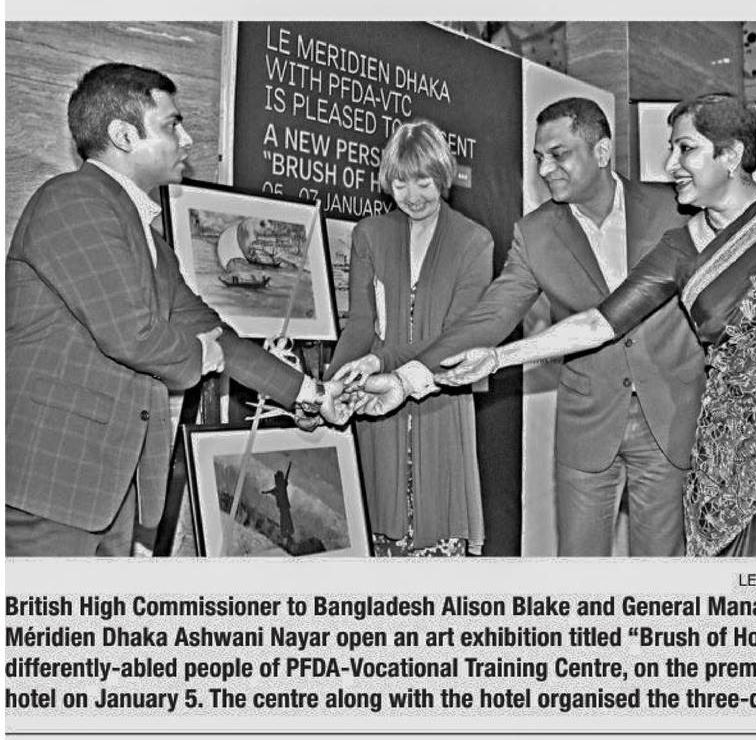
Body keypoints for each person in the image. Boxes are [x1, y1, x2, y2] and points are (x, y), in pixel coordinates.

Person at [430, 93, 756, 558]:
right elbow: (599, 323)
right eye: (671, 148)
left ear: (731, 155)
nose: (670, 164)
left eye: (686, 148)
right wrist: (497, 357)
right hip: (729, 463)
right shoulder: (680, 246)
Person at [5, 62, 347, 557]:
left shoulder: (150, 242)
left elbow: (218, 335)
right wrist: (201, 355)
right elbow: (133, 335)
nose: (186, 140)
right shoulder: (72, 200)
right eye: (171, 125)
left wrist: (310, 394)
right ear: (124, 135)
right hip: (49, 487)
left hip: (106, 494)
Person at [342, 97, 704, 557]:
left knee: (661, 572)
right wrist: (406, 379)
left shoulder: (674, 209)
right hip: (588, 426)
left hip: (669, 420)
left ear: (601, 151)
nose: (545, 168)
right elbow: (489, 317)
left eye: (558, 154)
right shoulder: (535, 233)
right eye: (538, 158)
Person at [316, 119, 493, 557]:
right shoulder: (369, 235)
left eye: (423, 183)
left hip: (440, 400)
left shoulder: (474, 242)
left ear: (443, 177)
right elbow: (360, 325)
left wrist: (380, 361)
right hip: (379, 411)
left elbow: (454, 339)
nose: (412, 196)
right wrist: (331, 385)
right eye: (400, 184)